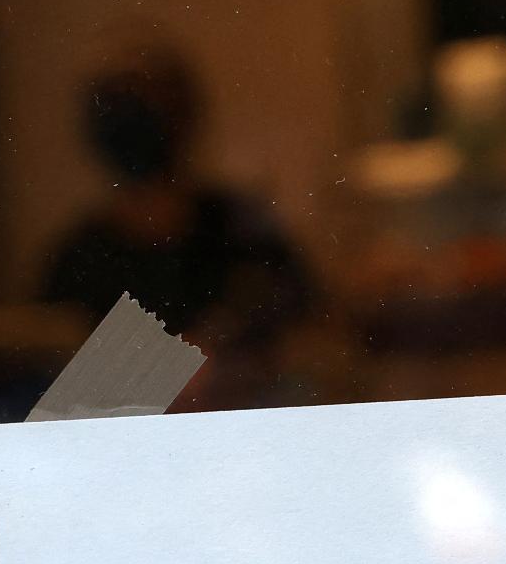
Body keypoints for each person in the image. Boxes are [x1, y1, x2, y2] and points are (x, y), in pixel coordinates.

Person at [38, 49, 312, 353]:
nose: (134, 116)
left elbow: (309, 333)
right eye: (118, 98)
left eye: (147, 94)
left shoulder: (244, 232)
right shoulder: (78, 259)